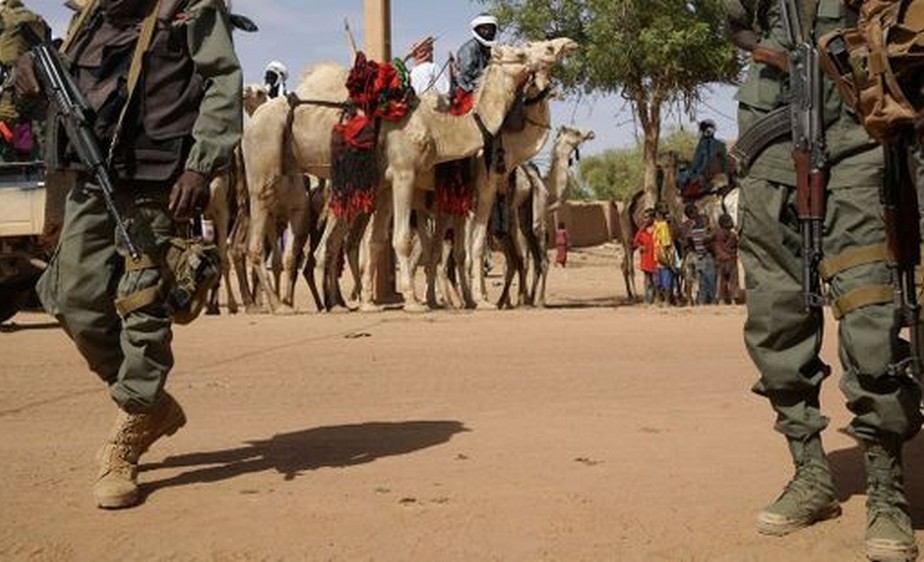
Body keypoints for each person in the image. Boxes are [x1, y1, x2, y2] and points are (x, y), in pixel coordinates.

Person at [25, 0, 243, 510]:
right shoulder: (93, 14)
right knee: (71, 298)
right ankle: (152, 406)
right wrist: (29, 73)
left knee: (142, 304)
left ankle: (128, 433)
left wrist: (201, 165)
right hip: (90, 176)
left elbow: (224, 84)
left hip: (157, 181)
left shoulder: (192, 10)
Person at [725, 1, 923, 560]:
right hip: (771, 124)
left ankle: (886, 488)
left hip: (862, 116)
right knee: (775, 306)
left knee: (871, 304)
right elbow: (736, 20)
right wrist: (771, 50)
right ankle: (810, 472)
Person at [678, 120, 729, 200]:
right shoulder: (721, 145)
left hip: (704, 174)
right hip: (720, 173)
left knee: (681, 176)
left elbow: (696, 163)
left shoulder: (702, 144)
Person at [682, 203, 716, 305]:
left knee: (696, 279)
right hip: (696, 255)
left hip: (691, 254)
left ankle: (697, 300)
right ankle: (701, 299)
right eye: (695, 211)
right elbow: (688, 240)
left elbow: (685, 241)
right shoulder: (696, 224)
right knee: (702, 278)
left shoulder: (688, 225)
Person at [713, 213, 740, 305]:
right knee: (733, 280)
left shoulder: (717, 234)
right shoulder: (733, 235)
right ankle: (733, 299)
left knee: (721, 280)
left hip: (720, 260)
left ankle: (721, 299)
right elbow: (737, 245)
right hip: (731, 259)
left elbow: (708, 241)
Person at [632, 208, 657, 305]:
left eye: (647, 217)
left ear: (652, 218)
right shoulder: (642, 231)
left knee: (656, 281)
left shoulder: (657, 229)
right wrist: (640, 246)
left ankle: (656, 298)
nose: (645, 219)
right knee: (648, 280)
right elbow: (635, 242)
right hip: (646, 259)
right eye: (644, 217)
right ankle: (648, 299)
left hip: (656, 259)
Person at [652, 203, 675, 305]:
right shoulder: (664, 225)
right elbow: (666, 243)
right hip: (663, 254)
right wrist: (669, 260)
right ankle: (667, 301)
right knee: (666, 279)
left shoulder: (655, 224)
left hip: (655, 255)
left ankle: (658, 300)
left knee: (658, 280)